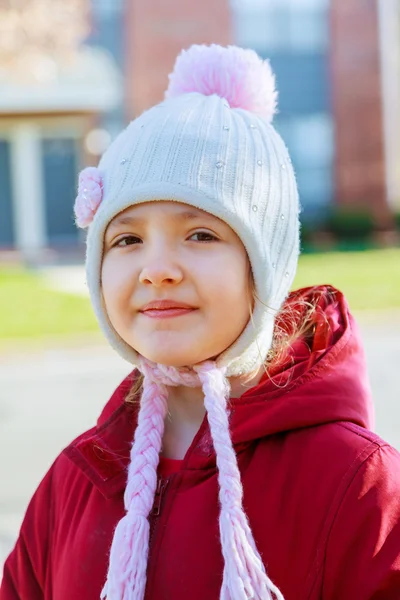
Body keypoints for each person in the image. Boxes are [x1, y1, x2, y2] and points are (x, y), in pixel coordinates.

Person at [1, 44, 399, 600]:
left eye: (201, 235)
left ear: (265, 266)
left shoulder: (357, 483)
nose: (157, 269)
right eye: (128, 239)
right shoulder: (78, 479)